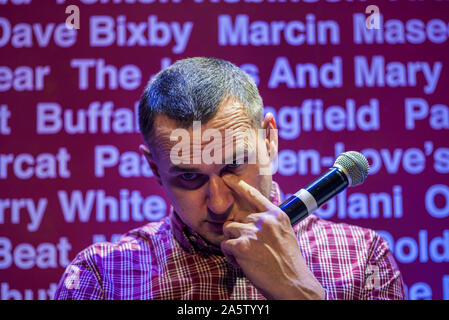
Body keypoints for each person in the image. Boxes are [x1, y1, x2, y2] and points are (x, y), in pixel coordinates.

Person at [54, 57, 405, 300]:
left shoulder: (364, 257)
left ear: (269, 140)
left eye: (234, 166)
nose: (220, 204)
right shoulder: (101, 276)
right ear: (154, 169)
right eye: (190, 176)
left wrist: (299, 293)